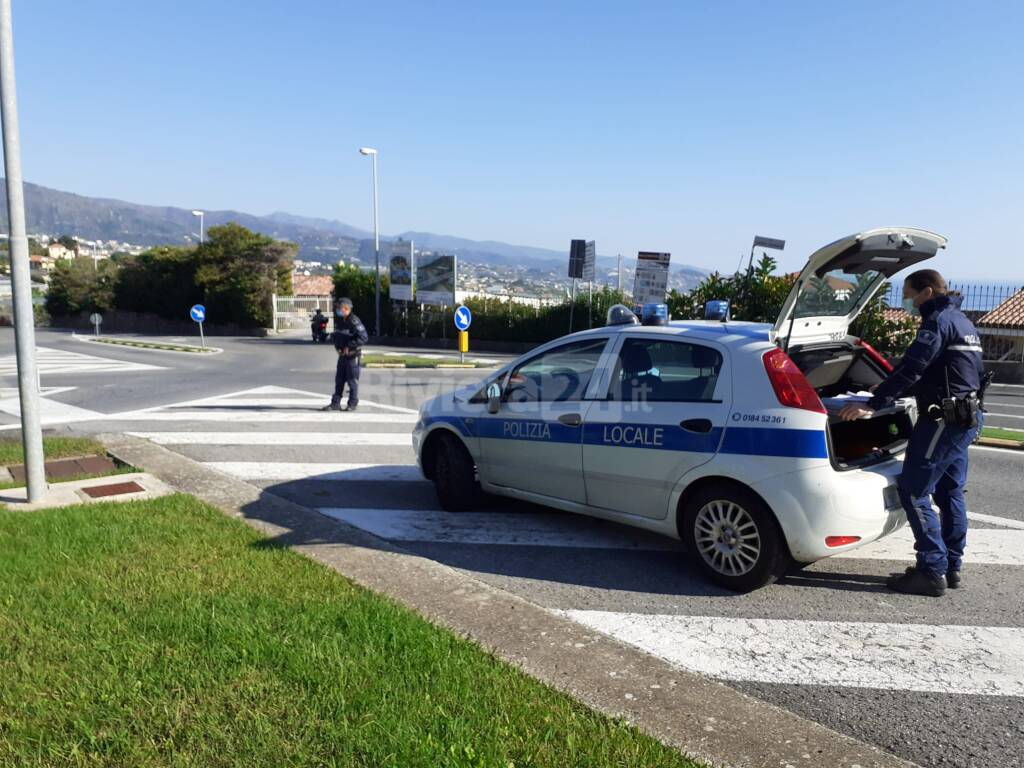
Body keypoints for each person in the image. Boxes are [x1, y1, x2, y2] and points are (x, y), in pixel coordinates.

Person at [839, 269, 986, 597]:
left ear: (928, 291)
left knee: (914, 490)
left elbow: (914, 366)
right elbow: (948, 370)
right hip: (966, 417)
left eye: (909, 295)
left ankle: (931, 571)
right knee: (949, 492)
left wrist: (874, 403)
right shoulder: (962, 321)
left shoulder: (936, 322)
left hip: (943, 420)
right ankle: (950, 566)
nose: (907, 302)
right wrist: (891, 386)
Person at [321, 297, 368, 412]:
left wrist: (350, 345)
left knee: (352, 381)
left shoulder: (354, 321)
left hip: (352, 356)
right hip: (342, 355)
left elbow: (363, 337)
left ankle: (352, 403)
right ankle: (335, 403)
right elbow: (339, 335)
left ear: (346, 308)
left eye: (339, 308)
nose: (337, 310)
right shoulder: (342, 320)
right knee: (339, 380)